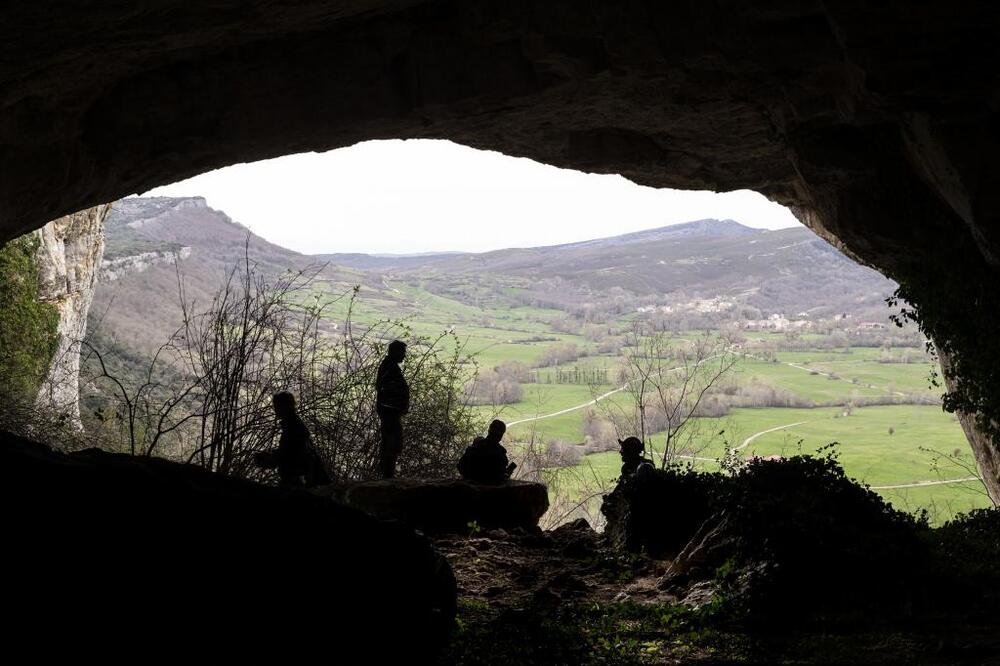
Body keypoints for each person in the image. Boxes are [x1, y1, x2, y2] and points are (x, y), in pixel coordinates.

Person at [255, 392, 331, 487]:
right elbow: (288, 453)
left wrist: (270, 459)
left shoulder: (294, 427)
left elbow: (292, 456)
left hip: (298, 483)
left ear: (285, 407)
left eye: (277, 406)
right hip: (297, 481)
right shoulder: (293, 425)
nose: (275, 410)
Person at [375, 340, 410, 478]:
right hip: (390, 413)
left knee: (390, 443)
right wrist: (398, 406)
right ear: (395, 352)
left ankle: (387, 474)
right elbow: (388, 392)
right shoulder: (390, 368)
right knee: (392, 444)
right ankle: (387, 475)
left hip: (390, 413)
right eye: (403, 352)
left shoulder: (389, 366)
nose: (404, 356)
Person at [458, 419, 517, 484]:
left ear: (489, 431)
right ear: (501, 436)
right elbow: (500, 476)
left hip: (471, 487)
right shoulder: (500, 452)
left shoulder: (475, 447)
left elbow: (460, 466)